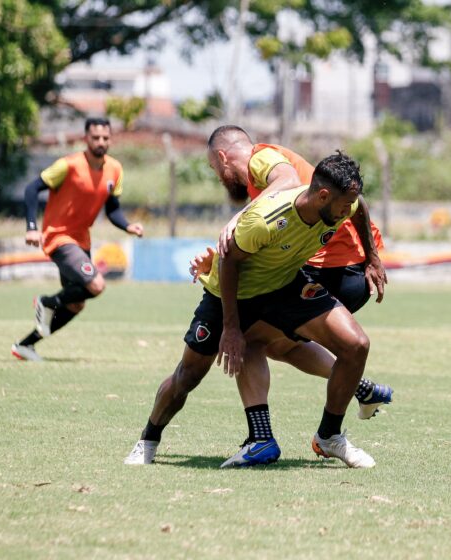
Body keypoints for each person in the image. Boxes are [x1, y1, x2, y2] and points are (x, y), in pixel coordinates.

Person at [126, 152, 380, 468]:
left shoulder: (345, 204)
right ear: (323, 195)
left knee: (356, 345)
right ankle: (148, 439)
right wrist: (231, 328)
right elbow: (229, 260)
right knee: (188, 375)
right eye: (344, 204)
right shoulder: (266, 219)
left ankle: (328, 436)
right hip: (231, 293)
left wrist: (373, 258)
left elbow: (360, 209)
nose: (348, 210)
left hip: (284, 285)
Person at [196, 125, 391, 467]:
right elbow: (355, 202)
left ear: (223, 158)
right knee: (277, 343)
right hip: (348, 268)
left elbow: (286, 181)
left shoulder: (260, 159)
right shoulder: (281, 186)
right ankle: (350, 399)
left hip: (327, 267)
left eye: (216, 169)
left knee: (252, 337)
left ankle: (267, 439)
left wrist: (237, 219)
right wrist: (372, 256)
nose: (220, 177)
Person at [11, 117, 144, 361]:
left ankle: (25, 345)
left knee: (76, 303)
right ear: (86, 139)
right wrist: (31, 227)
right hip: (59, 237)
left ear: (110, 139)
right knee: (96, 285)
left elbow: (112, 208)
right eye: (95, 138)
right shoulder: (68, 165)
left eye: (105, 138)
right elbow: (31, 189)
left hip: (82, 241)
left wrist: (127, 226)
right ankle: (46, 302)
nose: (101, 142)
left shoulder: (115, 169)